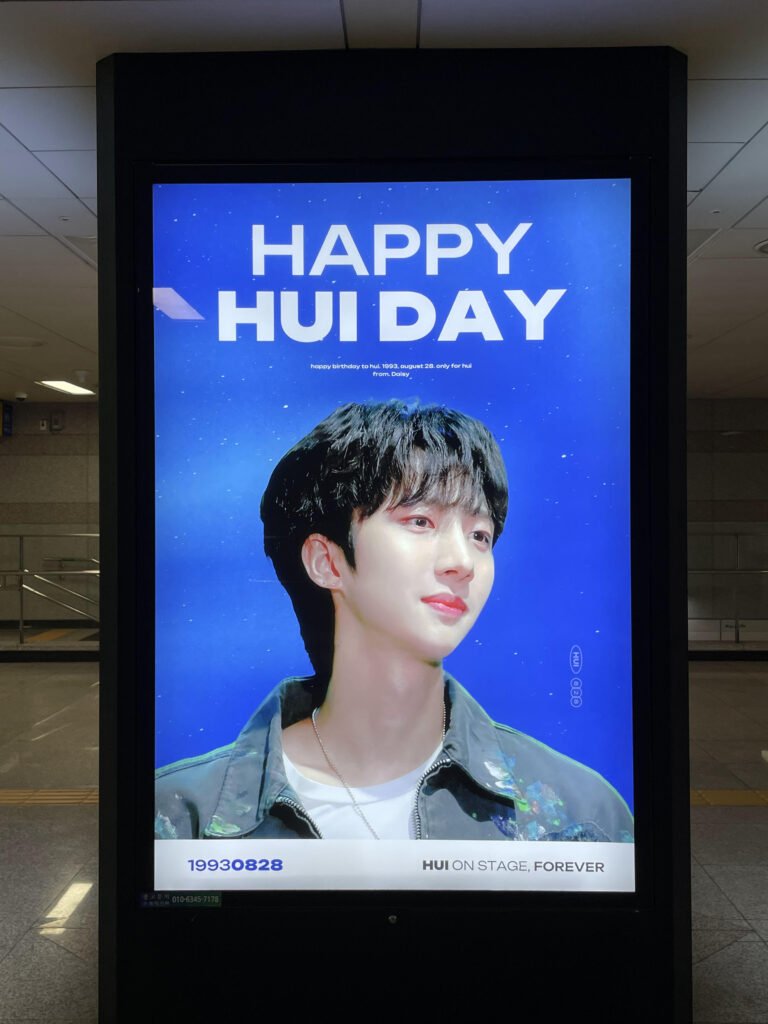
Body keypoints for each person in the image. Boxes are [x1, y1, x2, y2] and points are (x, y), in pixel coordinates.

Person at [155, 400, 634, 842]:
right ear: (326, 561)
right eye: (420, 521)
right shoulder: (181, 815)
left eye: (480, 535)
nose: (462, 562)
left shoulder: (581, 814)